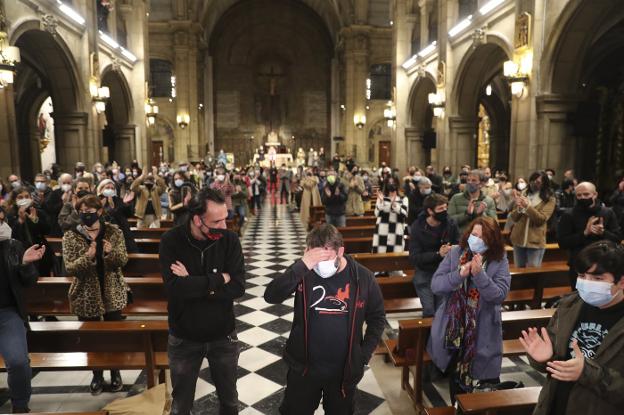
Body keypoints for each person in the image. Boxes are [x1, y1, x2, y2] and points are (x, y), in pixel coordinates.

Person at [264, 224, 386, 415]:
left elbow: (377, 318)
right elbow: (272, 296)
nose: (321, 265)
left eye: (327, 258)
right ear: (307, 252)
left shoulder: (363, 277)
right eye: (316, 258)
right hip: (304, 368)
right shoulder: (304, 270)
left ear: (341, 251)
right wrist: (303, 265)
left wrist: (362, 355)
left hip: (343, 372)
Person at [159, 189, 245, 415]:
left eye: (225, 218)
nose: (224, 227)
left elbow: (238, 286)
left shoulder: (230, 240)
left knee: (230, 402)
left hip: (223, 335)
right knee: (181, 405)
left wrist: (192, 282)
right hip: (184, 337)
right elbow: (174, 289)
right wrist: (218, 280)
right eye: (217, 221)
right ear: (197, 220)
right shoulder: (171, 241)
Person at [519, 241, 624, 415]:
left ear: (621, 282)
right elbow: (554, 364)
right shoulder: (569, 306)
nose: (587, 283)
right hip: (555, 404)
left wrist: (586, 373)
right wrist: (544, 359)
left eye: (598, 278)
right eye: (582, 275)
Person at [427, 216, 511, 403]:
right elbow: (436, 285)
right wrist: (459, 274)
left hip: (483, 328)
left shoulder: (500, 260)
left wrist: (479, 276)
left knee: (484, 384)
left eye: (483, 238)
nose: (477, 240)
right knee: (456, 382)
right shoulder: (456, 253)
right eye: (474, 234)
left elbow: (499, 295)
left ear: (492, 240)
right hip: (454, 329)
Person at [62, 195, 128, 394]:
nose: (86, 216)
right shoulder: (71, 236)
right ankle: (96, 375)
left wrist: (110, 253)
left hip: (112, 291)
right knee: (92, 338)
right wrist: (87, 257)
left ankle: (116, 373)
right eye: (82, 212)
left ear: (99, 212)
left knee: (113, 337)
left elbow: (123, 260)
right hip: (85, 293)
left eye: (90, 213)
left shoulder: (113, 231)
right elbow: (70, 268)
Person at [0, 207, 45, 413]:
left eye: (1, 220)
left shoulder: (13, 246)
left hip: (7, 312)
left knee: (18, 361)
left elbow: (28, 282)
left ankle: (20, 405)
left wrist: (25, 264)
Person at [557, 182, 621, 289]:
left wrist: (603, 232)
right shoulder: (568, 215)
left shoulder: (608, 212)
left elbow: (617, 239)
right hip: (579, 265)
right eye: (579, 195)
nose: (582, 197)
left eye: (586, 194)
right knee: (579, 298)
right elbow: (562, 243)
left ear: (595, 194)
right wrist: (584, 234)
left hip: (605, 265)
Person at [408, 194, 460, 317]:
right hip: (424, 273)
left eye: (445, 208)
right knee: (429, 311)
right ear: (430, 211)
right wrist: (438, 254)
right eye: (440, 209)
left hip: (444, 272)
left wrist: (454, 248)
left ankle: (438, 336)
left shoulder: (450, 223)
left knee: (441, 311)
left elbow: (459, 243)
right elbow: (414, 258)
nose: (444, 212)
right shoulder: (418, 227)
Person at [509, 171, 556, 267]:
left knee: (532, 272)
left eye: (538, 182)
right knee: (519, 270)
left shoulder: (549, 198)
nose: (534, 183)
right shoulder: (524, 193)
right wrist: (519, 208)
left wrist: (527, 207)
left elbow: (541, 219)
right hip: (519, 238)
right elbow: (514, 217)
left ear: (544, 184)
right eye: (533, 180)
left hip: (535, 240)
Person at [6, 187, 54, 276]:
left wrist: (36, 220)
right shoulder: (9, 215)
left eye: (26, 196)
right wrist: (20, 221)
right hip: (19, 254)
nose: (24, 199)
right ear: (14, 200)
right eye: (20, 197)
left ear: (31, 198)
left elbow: (47, 230)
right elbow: (11, 236)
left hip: (40, 252)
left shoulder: (38, 212)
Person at [96, 179, 138, 253]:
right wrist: (110, 209)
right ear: (101, 189)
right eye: (107, 188)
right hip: (105, 236)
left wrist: (127, 204)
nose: (110, 190)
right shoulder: (96, 201)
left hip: (123, 234)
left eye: (112, 188)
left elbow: (129, 214)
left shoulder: (118, 200)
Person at [372, 183, 409, 253]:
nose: (392, 193)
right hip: (382, 230)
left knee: (396, 255)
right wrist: (382, 203)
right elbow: (376, 214)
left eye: (394, 191)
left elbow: (405, 214)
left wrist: (394, 205)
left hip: (396, 230)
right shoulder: (382, 198)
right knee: (380, 254)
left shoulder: (403, 198)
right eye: (390, 191)